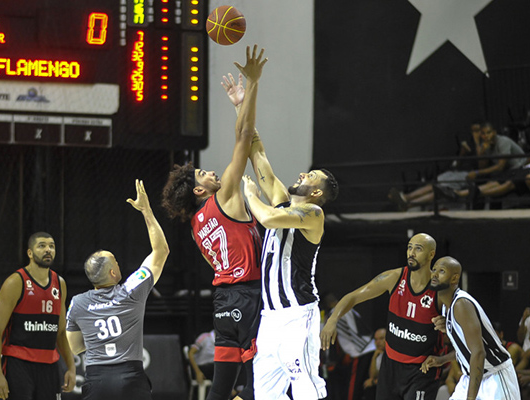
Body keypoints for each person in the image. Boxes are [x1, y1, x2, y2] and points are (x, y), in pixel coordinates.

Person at [161, 45, 268, 400]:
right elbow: (244, 137)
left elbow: (212, 262)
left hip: (223, 301)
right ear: (198, 189)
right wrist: (250, 88)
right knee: (259, 385)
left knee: (221, 392)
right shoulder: (223, 198)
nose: (211, 172)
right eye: (203, 173)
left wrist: (239, 103)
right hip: (249, 293)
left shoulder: (196, 225)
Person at [241, 130, 339, 397]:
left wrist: (250, 195)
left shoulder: (314, 213)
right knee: (265, 395)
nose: (302, 175)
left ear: (316, 191)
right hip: (269, 319)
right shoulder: (283, 203)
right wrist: (242, 106)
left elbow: (268, 218)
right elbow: (258, 156)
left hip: (297, 315)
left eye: (310, 176)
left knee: (306, 387)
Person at [65, 179, 169, 400]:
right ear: (113, 273)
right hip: (130, 377)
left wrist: (98, 342)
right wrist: (146, 211)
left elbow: (73, 347)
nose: (119, 264)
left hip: (97, 379)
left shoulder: (78, 302)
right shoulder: (131, 290)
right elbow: (161, 251)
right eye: (115, 262)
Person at [321, 233, 444, 400]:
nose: (411, 252)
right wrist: (333, 319)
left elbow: (464, 334)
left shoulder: (441, 290)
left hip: (421, 370)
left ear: (431, 254)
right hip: (390, 367)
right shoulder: (394, 277)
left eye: (418, 248)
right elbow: (354, 296)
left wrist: (448, 328)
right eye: (409, 247)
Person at [0, 232, 76, 400]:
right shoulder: (15, 282)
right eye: (42, 246)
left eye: (51, 246)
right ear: (30, 253)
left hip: (49, 366)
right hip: (18, 364)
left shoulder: (60, 283)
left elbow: (61, 332)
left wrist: (71, 368)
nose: (48, 250)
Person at [420, 256, 520, 400]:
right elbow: (467, 348)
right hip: (471, 377)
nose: (434, 274)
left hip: (494, 377)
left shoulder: (461, 305)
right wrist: (442, 360)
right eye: (434, 269)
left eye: (441, 271)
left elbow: (479, 353)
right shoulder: (445, 308)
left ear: (454, 279)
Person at [443, 114, 530, 203]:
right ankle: (459, 193)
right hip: (520, 169)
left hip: (526, 169)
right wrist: (482, 153)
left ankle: (473, 193)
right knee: (493, 181)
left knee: (507, 183)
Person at [388, 121, 484, 210]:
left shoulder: (484, 145)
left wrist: (478, 146)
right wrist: (462, 154)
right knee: (434, 185)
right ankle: (405, 197)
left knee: (438, 190)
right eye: (473, 131)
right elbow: (457, 165)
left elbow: (481, 167)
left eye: (478, 131)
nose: (475, 134)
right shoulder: (469, 144)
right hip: (457, 173)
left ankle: (408, 204)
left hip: (471, 176)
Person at [321, 292, 376, 400]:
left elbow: (325, 333)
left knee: (353, 386)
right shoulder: (349, 309)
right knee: (364, 386)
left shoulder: (335, 314)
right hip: (370, 346)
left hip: (360, 351)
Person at [363, 328, 387, 400]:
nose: (378, 342)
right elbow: (372, 376)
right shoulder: (378, 353)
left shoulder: (392, 356)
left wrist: (373, 382)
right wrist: (374, 358)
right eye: (376, 339)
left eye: (381, 338)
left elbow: (389, 379)